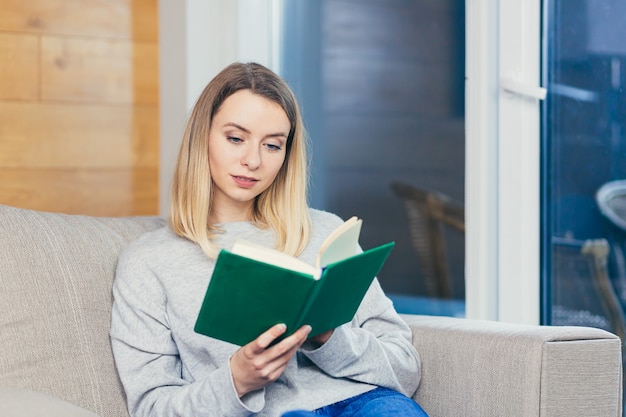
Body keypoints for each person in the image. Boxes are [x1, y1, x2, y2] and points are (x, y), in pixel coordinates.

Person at [110, 62, 428, 417]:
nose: (253, 160)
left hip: (367, 403)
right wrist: (237, 380)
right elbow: (151, 407)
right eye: (235, 138)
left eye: (273, 145)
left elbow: (405, 367)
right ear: (203, 137)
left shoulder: (325, 231)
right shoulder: (149, 261)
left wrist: (328, 338)